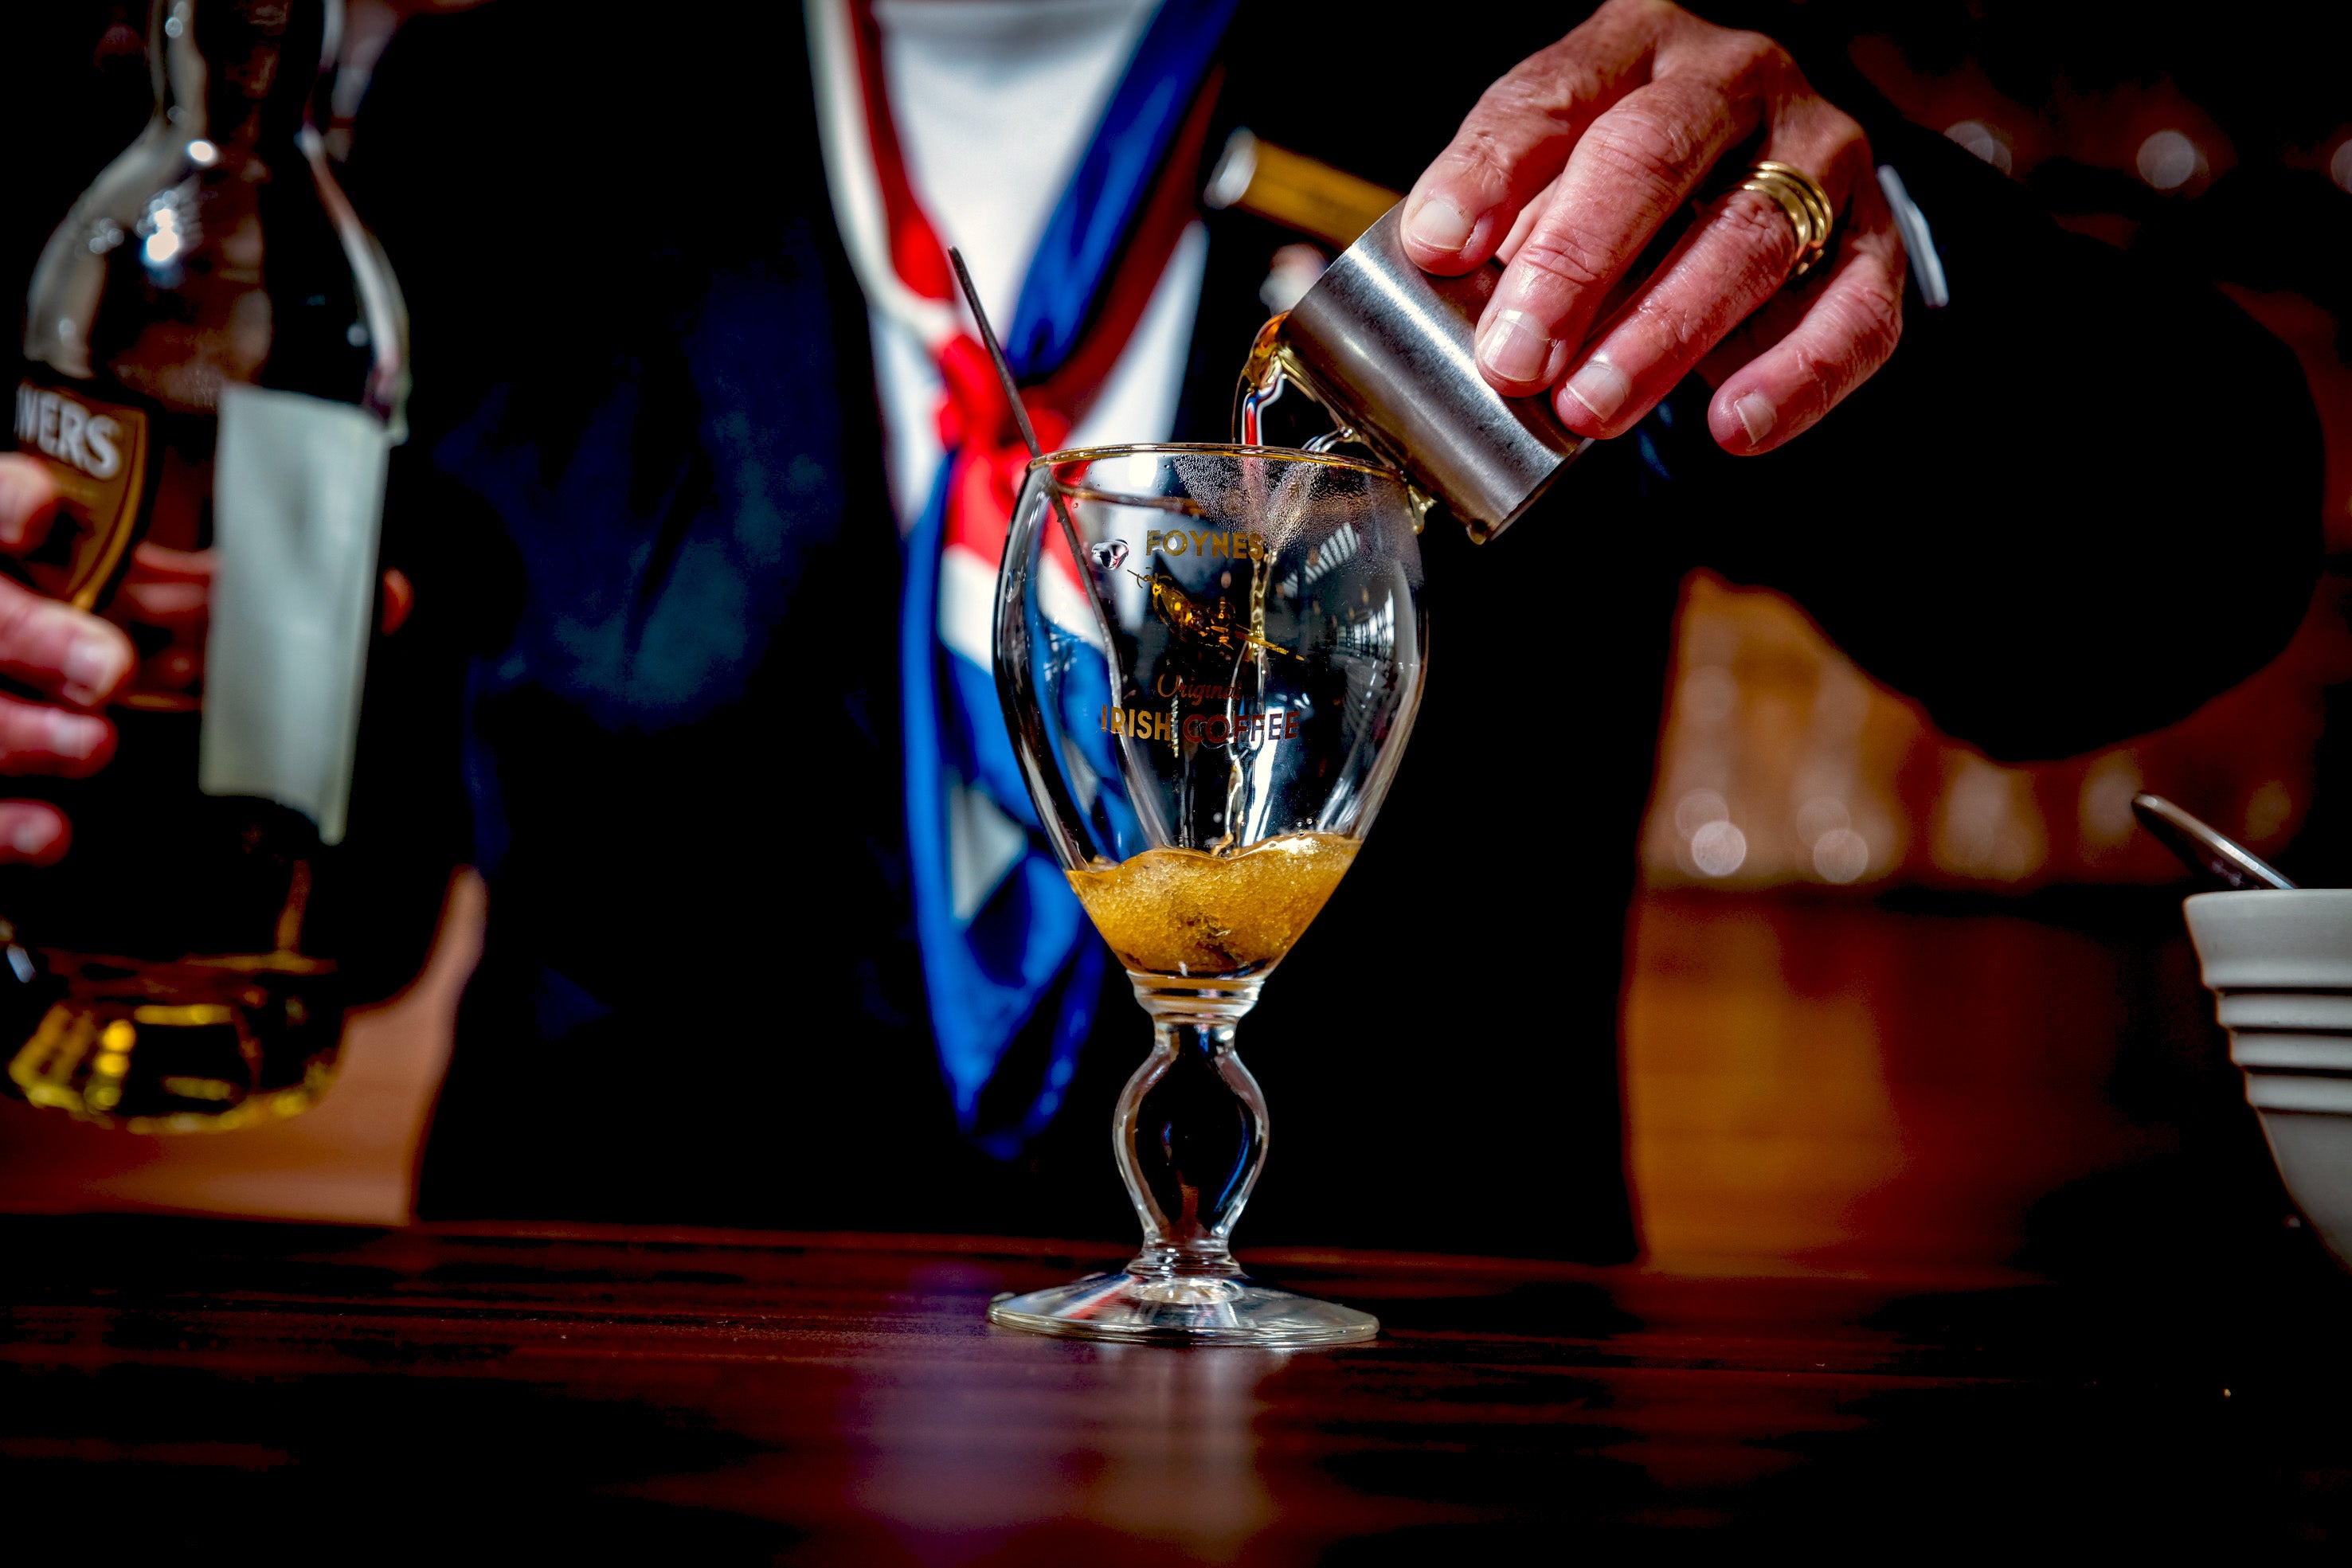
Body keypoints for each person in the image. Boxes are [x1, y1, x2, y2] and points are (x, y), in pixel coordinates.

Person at [0, 0, 2319, 1259]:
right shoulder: (484, 126)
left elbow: (2152, 587)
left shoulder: (1543, 89)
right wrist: (69, 740)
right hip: (597, 1441)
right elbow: (335, 872)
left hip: (1419, 1465)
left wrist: (1883, 254)